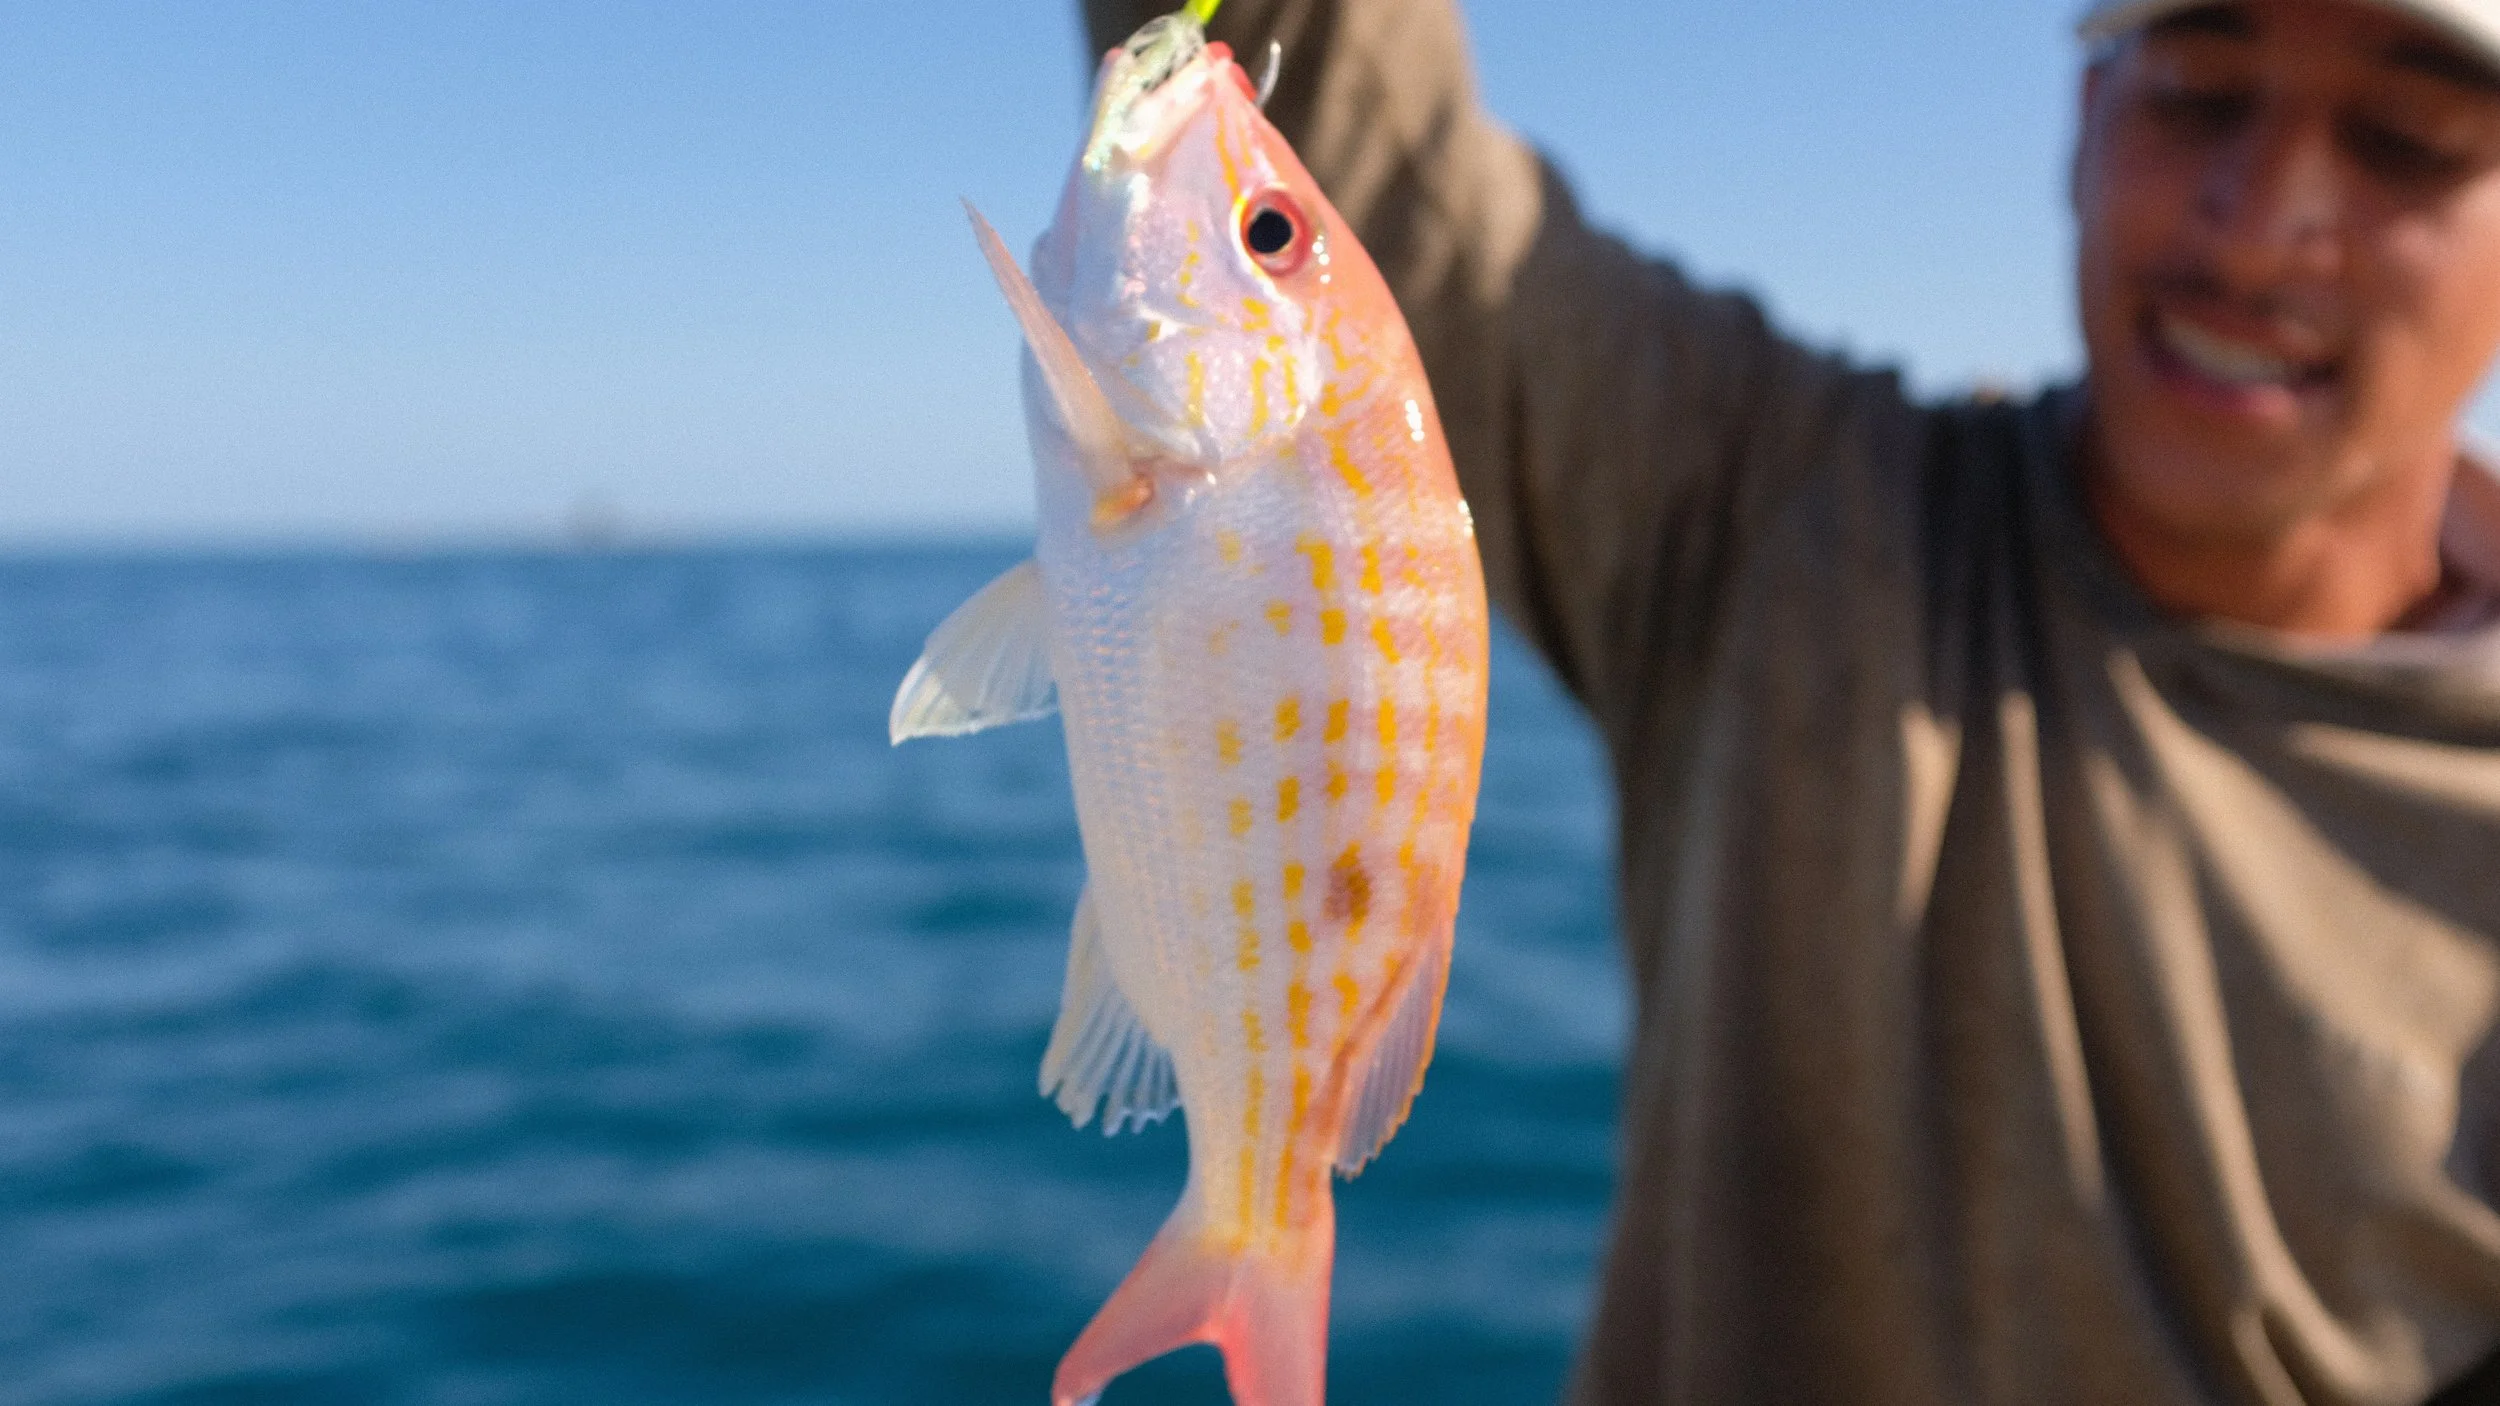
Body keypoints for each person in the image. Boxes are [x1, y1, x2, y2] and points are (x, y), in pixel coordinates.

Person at [1074, 1, 2500, 1402]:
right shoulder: (1774, 502)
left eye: (2406, 136)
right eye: (2199, 92)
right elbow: (1341, 131)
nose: (2263, 218)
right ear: (2087, 122)